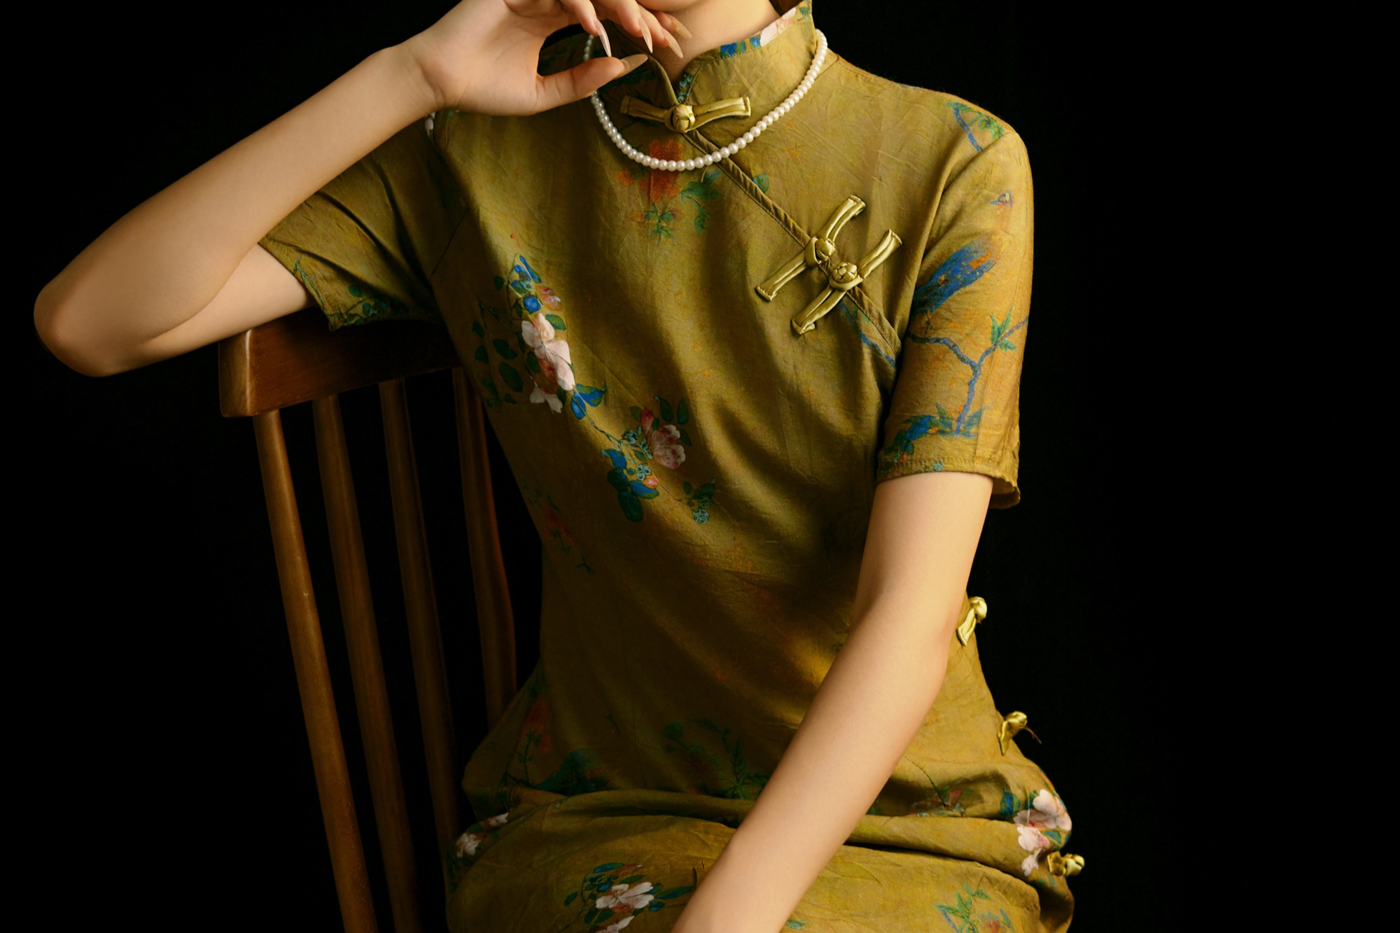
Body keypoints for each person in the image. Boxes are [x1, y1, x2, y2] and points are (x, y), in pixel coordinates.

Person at [35, 1, 1078, 930]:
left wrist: (727, 919)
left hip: (908, 821)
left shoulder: (952, 159)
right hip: (605, 816)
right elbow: (91, 322)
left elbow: (910, 606)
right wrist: (415, 73)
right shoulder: (470, 151)